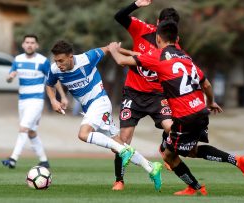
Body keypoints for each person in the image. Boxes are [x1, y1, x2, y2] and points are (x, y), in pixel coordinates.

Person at [108, 20, 244, 195]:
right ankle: (212, 176)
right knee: (189, 150)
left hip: (185, 117)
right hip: (201, 111)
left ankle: (209, 179)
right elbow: (207, 84)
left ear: (158, 38)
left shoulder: (158, 56)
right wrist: (211, 102)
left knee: (169, 156)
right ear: (177, 38)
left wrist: (112, 49)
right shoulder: (186, 58)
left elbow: (121, 61)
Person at [46, 40, 163, 191]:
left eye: (61, 60)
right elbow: (49, 84)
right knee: (118, 144)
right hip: (91, 109)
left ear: (70, 56)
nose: (58, 64)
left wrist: (131, 54)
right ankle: (151, 167)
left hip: (100, 102)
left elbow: (110, 48)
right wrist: (53, 100)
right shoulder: (55, 69)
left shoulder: (88, 58)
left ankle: (123, 152)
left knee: (83, 134)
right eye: (56, 61)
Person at [111, 0, 180, 190]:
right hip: (133, 93)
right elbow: (118, 17)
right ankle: (119, 180)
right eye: (163, 24)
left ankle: (165, 148)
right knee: (123, 139)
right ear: (157, 22)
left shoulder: (174, 44)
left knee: (173, 129)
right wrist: (135, 4)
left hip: (158, 96)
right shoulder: (141, 29)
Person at [1, 34, 63, 169]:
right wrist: (10, 77)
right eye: (27, 42)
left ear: (37, 45)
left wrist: (62, 97)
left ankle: (13, 158)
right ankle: (44, 160)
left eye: (32, 42)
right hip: (22, 101)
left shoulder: (42, 61)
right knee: (31, 132)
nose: (29, 45)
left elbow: (54, 80)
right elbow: (8, 77)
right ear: (23, 45)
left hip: (36, 101)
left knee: (23, 128)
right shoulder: (17, 60)